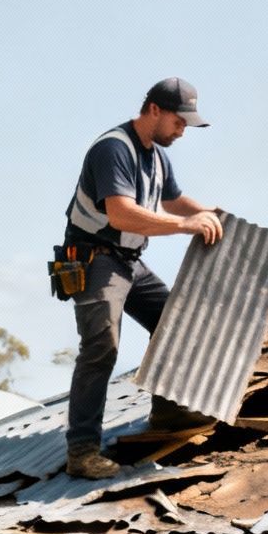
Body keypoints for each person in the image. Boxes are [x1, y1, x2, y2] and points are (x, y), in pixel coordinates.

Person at [60, 77, 224, 480]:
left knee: (174, 320)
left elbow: (172, 199)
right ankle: (82, 451)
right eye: (179, 121)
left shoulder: (157, 155)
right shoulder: (113, 149)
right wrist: (187, 225)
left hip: (129, 259)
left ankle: (168, 409)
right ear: (154, 109)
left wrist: (212, 214)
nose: (183, 130)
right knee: (102, 345)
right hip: (94, 258)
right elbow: (121, 214)